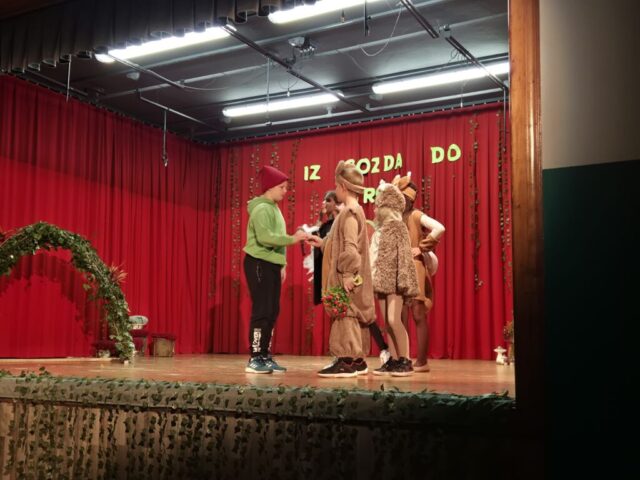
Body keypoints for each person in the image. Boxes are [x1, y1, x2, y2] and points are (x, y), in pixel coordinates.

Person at [308, 161, 376, 378]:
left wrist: (347, 274)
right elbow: (342, 243)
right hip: (353, 275)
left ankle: (346, 360)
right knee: (352, 314)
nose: (335, 189)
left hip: (347, 276)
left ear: (344, 187)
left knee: (345, 313)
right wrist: (323, 244)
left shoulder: (349, 213)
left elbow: (350, 247)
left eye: (337, 186)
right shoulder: (355, 211)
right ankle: (357, 360)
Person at [243, 165, 308, 374]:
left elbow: (277, 240)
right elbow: (265, 238)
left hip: (270, 263)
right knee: (262, 310)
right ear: (270, 187)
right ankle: (255, 357)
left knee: (272, 310)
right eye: (282, 187)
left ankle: (264, 354)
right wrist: (293, 239)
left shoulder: (274, 208)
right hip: (259, 262)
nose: (285, 191)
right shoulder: (262, 209)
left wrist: (282, 264)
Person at [392, 173, 445, 372]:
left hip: (414, 267)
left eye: (402, 198)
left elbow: (439, 228)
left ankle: (422, 361)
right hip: (400, 268)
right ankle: (404, 358)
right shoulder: (396, 218)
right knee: (401, 314)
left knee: (417, 313)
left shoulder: (415, 215)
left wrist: (421, 248)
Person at [369, 182, 419, 376]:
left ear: (388, 207)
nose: (376, 209)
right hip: (380, 280)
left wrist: (405, 281)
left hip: (395, 280)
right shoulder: (379, 230)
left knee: (393, 319)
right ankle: (394, 359)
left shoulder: (398, 227)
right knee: (387, 323)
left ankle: (405, 360)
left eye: (379, 206)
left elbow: (405, 257)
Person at [312, 191, 340, 306]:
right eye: (324, 200)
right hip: (323, 270)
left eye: (328, 200)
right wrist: (320, 218)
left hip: (334, 271)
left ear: (336, 204)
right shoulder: (325, 225)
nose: (324, 203)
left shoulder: (338, 224)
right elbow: (315, 241)